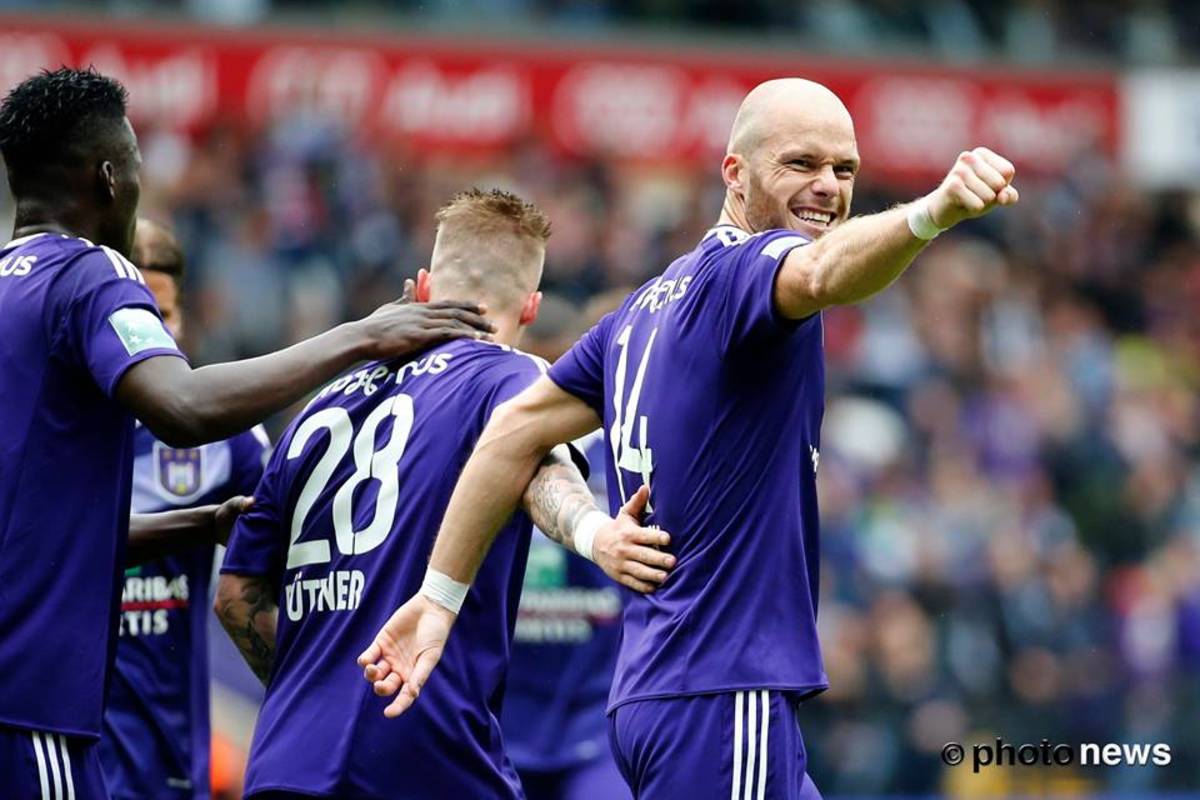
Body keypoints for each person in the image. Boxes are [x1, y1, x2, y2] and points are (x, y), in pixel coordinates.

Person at [358, 78, 1020, 799]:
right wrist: (932, 212)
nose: (829, 187)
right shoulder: (743, 273)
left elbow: (510, 432)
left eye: (845, 169)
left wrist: (444, 594)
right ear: (735, 173)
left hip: (662, 694)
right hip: (724, 692)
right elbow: (824, 271)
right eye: (801, 164)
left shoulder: (640, 310)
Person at [0, 67, 491, 799]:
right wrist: (361, 335)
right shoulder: (90, 272)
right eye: (134, 169)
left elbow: (44, 530)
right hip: (30, 699)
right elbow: (182, 407)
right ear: (107, 178)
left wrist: (201, 524)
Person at [216, 189, 674, 799]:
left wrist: (320, 693)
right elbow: (541, 470)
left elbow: (235, 596)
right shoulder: (509, 376)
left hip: (285, 761)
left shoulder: (315, 411)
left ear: (425, 286)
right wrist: (595, 533)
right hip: (424, 755)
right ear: (531, 306)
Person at [100, 219, 271, 800]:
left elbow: (285, 557)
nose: (151, 334)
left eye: (164, 316)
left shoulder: (223, 444)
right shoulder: (48, 430)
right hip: (56, 747)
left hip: (167, 759)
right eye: (136, 317)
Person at [501, 295, 631, 800]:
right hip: (500, 717)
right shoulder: (489, 458)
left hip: (595, 718)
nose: (547, 391)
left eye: (559, 371)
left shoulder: (621, 459)